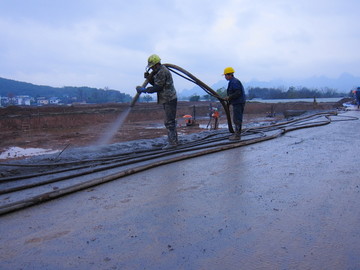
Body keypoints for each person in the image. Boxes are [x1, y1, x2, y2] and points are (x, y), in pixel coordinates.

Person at [136, 54, 178, 149]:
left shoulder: (162, 72)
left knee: (169, 121)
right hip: (167, 98)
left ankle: (173, 143)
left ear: (156, 65)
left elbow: (158, 87)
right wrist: (150, 78)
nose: (151, 69)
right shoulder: (159, 72)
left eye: (152, 67)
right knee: (170, 121)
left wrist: (144, 90)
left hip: (169, 99)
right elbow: (157, 83)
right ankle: (173, 141)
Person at [223, 67, 246, 140]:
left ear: (229, 75)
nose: (225, 77)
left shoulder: (234, 82)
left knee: (237, 119)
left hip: (238, 102)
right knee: (236, 118)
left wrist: (229, 97)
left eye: (225, 75)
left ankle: (237, 136)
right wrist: (229, 100)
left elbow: (238, 93)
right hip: (237, 102)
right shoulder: (232, 82)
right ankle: (237, 134)